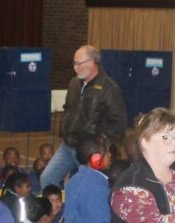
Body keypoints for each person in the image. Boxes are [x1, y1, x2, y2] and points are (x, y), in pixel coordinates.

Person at [40, 45, 126, 188]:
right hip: (68, 146)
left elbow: (118, 123)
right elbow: (68, 109)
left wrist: (100, 142)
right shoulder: (74, 84)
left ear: (92, 62)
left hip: (92, 151)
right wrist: (64, 128)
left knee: (88, 186)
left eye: (78, 63)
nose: (75, 67)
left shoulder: (110, 89)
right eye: (74, 63)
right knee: (47, 179)